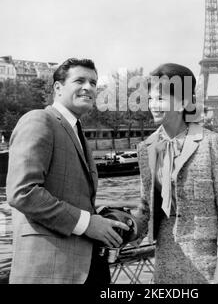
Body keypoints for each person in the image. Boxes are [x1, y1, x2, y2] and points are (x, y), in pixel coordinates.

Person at [6, 58, 129, 284]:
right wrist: (88, 223)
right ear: (58, 87)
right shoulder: (39, 120)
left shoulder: (75, 129)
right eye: (79, 80)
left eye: (93, 82)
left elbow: (70, 195)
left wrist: (103, 217)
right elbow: (23, 192)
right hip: (50, 270)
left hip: (83, 266)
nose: (88, 87)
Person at [134, 63, 218, 284]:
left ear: (183, 101)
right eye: (151, 99)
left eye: (160, 98)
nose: (153, 105)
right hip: (166, 264)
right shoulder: (147, 148)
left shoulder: (210, 143)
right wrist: (123, 228)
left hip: (210, 263)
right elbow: (146, 207)